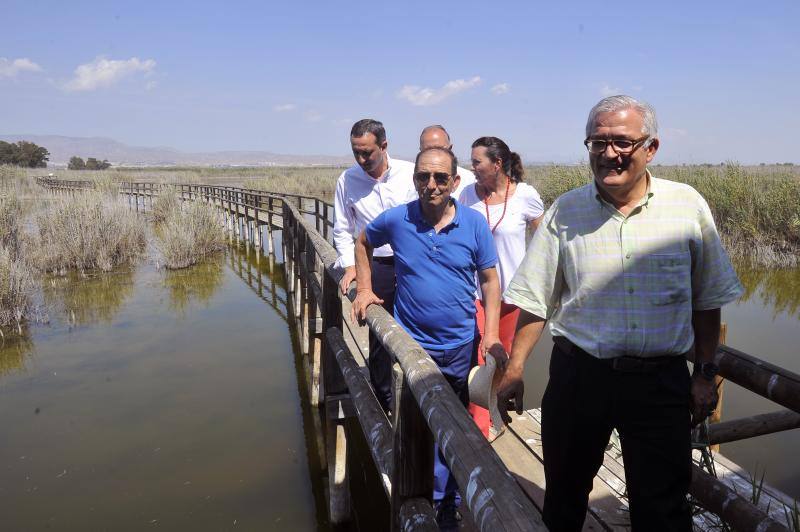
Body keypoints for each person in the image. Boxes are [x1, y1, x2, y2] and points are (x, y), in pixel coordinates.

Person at [497, 95, 744, 531]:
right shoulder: (565, 211)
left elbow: (708, 299)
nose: (609, 154)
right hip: (579, 377)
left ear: (651, 148)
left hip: (659, 382)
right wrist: (515, 367)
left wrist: (705, 374)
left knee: (663, 507)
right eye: (598, 142)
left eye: (622, 143)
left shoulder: (687, 206)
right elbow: (536, 299)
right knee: (565, 496)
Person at [350, 147, 504, 531]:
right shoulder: (399, 219)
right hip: (411, 347)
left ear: (455, 182)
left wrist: (494, 335)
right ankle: (425, 498)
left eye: (439, 178)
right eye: (423, 177)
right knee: (415, 424)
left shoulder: (473, 224)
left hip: (459, 346)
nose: (430, 185)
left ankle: (447, 503)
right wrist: (365, 289)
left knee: (453, 425)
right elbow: (363, 240)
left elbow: (489, 279)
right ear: (414, 179)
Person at [458, 136, 544, 438]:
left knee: (502, 360)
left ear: (497, 164)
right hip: (476, 293)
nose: (472, 167)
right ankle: (479, 427)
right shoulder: (467, 194)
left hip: (515, 294)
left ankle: (493, 410)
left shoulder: (525, 196)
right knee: (483, 357)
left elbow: (545, 242)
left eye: (477, 162)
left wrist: (544, 283)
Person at [333, 119, 415, 413]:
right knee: (380, 329)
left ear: (384, 146)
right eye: (356, 152)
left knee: (415, 324)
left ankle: (419, 392)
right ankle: (385, 400)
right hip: (372, 263)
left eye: (367, 152)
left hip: (410, 262)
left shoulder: (409, 174)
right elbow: (342, 229)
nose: (362, 159)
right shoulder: (348, 180)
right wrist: (350, 264)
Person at [419, 124, 476, 197]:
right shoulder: (408, 181)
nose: (435, 155)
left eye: (440, 149)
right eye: (428, 150)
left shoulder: (468, 180)